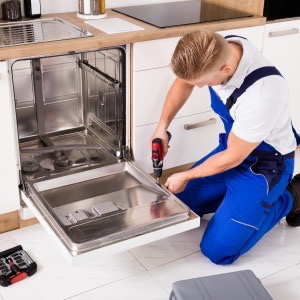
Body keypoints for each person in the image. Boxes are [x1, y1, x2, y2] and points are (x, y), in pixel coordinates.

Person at [151, 29, 300, 265]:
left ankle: (291, 196)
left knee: (218, 252)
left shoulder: (263, 93)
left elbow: (233, 158)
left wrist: (187, 174)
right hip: (233, 147)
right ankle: (237, 205)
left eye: (202, 83)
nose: (198, 87)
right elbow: (185, 81)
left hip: (265, 166)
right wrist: (162, 127)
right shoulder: (215, 47)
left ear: (226, 70)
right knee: (178, 208)